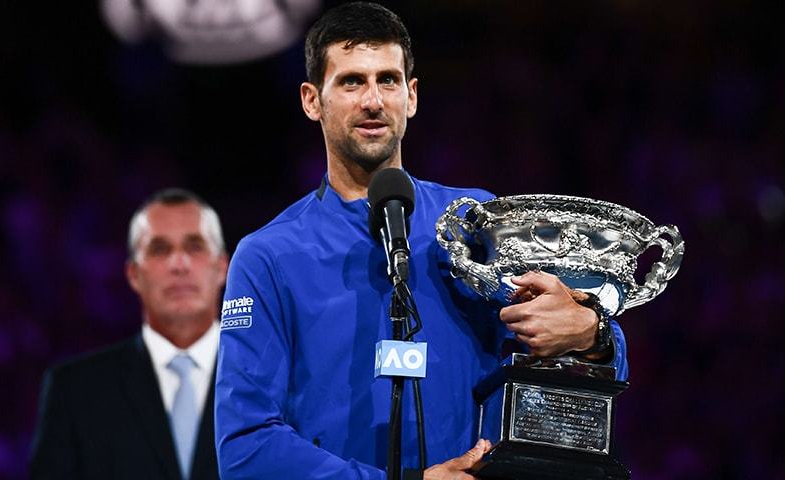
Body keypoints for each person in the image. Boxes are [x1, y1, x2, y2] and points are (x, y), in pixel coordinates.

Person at [214, 3, 628, 479]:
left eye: (388, 80)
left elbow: (573, 369)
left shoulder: (476, 223)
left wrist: (591, 334)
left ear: (411, 97)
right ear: (312, 100)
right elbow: (245, 447)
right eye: (351, 81)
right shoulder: (268, 256)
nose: (373, 101)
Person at [30, 188, 228, 480]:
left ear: (223, 267)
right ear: (134, 274)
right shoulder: (74, 391)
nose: (179, 264)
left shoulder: (278, 381)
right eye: (160, 249)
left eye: (195, 246)